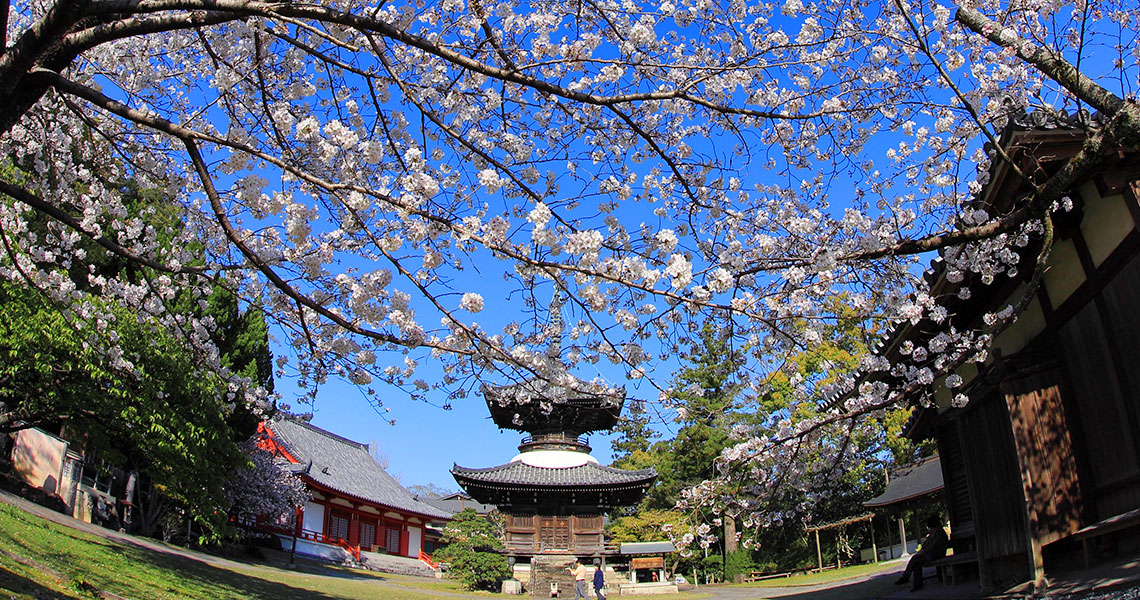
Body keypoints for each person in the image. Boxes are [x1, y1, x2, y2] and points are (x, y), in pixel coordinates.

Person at [895, 515, 949, 592]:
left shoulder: (939, 533)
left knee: (915, 558)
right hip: (930, 554)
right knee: (917, 563)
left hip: (936, 554)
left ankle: (906, 577)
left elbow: (933, 546)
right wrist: (923, 550)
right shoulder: (933, 533)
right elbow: (926, 544)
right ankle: (917, 584)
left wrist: (923, 551)